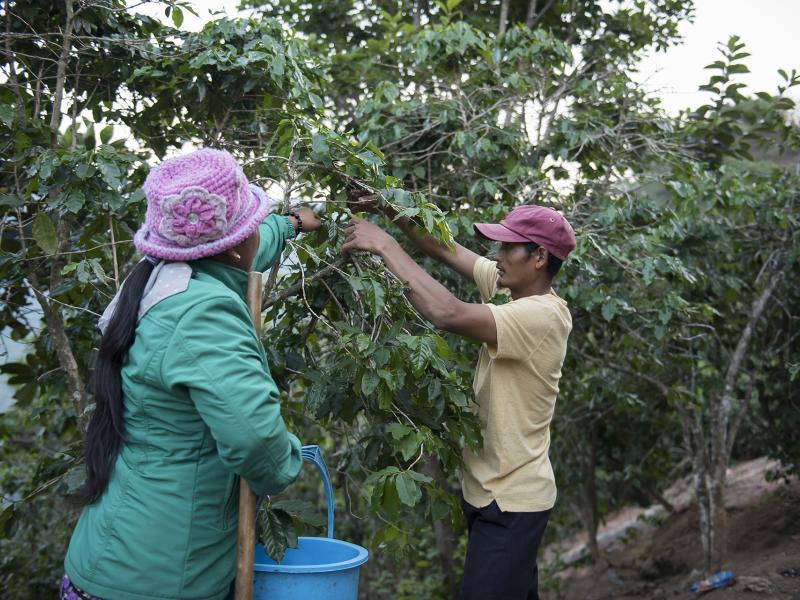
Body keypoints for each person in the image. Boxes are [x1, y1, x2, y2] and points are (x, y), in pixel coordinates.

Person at [62, 148, 321, 600]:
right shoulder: (203, 314)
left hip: (108, 561)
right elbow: (256, 443)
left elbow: (252, 245)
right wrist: (289, 458)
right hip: (159, 580)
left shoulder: (157, 280)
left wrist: (293, 223)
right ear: (235, 244)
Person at [342, 195, 576, 600]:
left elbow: (446, 312)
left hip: (511, 502)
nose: (497, 255)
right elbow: (445, 249)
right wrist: (388, 208)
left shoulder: (542, 316)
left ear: (539, 257)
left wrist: (384, 244)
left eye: (508, 247)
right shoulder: (510, 291)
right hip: (492, 495)